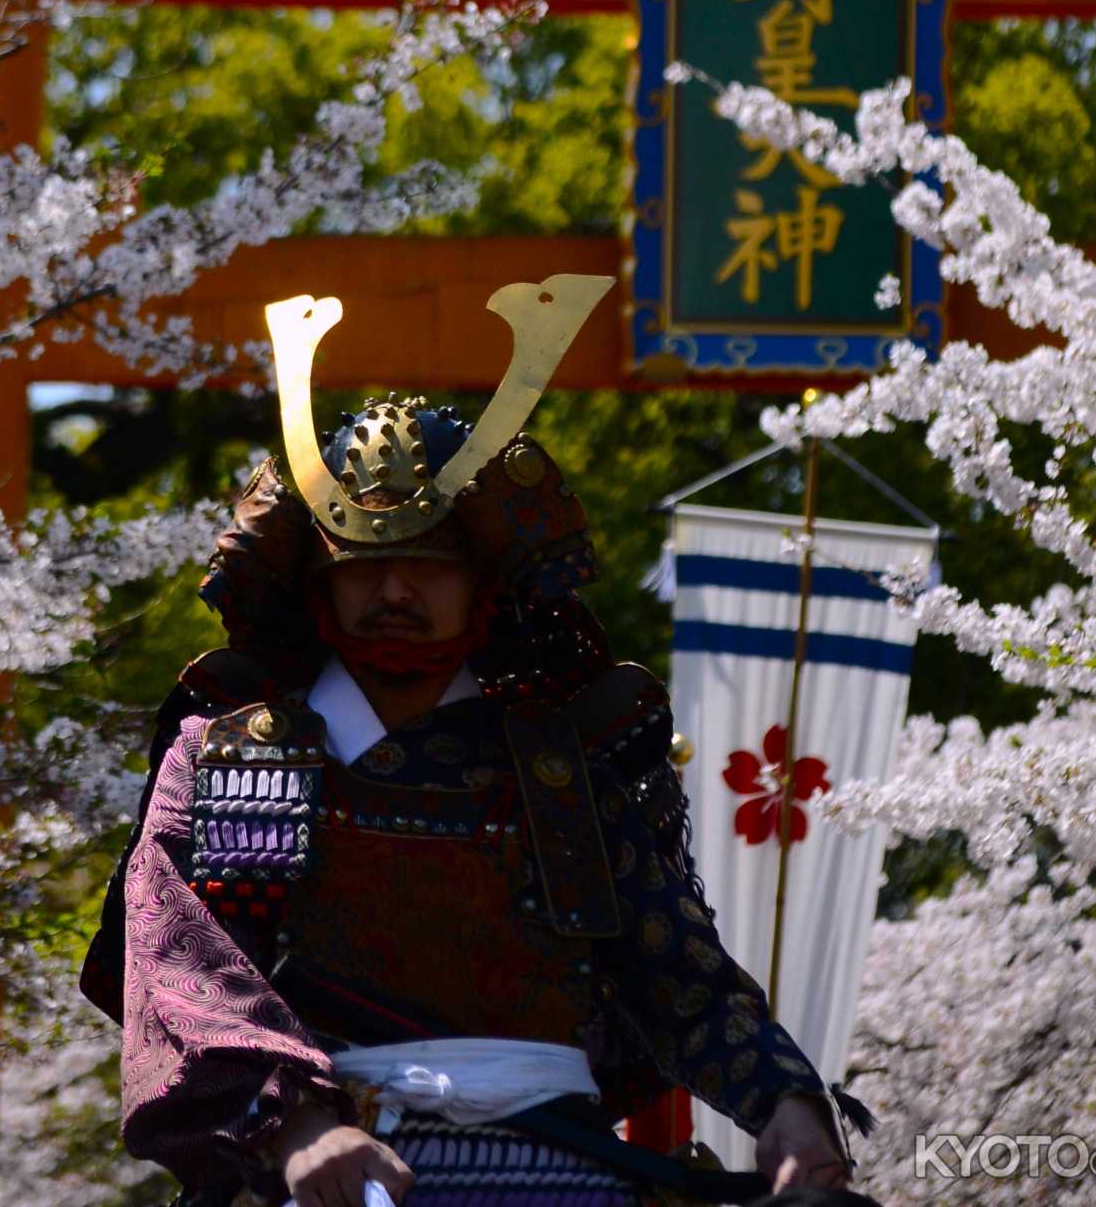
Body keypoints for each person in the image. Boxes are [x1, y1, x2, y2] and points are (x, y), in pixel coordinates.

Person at [81, 276, 870, 1207]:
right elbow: (183, 961)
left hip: (566, 1168)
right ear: (318, 586)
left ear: (487, 585)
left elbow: (681, 982)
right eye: (367, 568)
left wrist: (785, 1106)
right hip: (322, 1165)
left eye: (429, 568)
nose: (396, 596)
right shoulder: (236, 757)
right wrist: (293, 1124)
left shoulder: (557, 769)